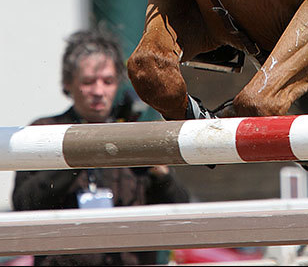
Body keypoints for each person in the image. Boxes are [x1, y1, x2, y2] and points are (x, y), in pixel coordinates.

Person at [12, 27, 190, 266]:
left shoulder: (134, 132)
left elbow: (180, 212)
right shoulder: (42, 131)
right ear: (67, 83)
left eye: (107, 81)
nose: (98, 91)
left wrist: (159, 172)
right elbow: (24, 204)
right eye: (88, 81)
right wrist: (78, 156)